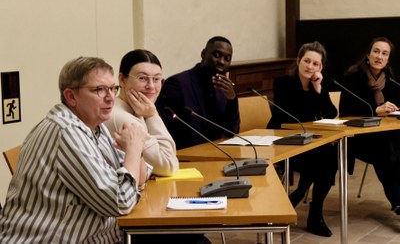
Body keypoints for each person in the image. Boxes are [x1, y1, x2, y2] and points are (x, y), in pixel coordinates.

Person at [0, 57, 151, 243]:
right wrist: (134, 149)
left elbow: (138, 179)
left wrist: (136, 150)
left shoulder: (94, 125)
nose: (110, 97)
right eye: (99, 90)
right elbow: (121, 201)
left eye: (112, 89)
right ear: (71, 96)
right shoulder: (67, 132)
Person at [267, 41, 338, 237]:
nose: (310, 66)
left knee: (330, 155)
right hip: (283, 142)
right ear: (298, 61)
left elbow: (331, 114)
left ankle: (312, 210)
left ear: (320, 67)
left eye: (315, 64)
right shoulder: (282, 83)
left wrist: (318, 88)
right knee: (322, 157)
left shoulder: (319, 85)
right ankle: (303, 203)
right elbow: (295, 115)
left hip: (309, 143)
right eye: (307, 61)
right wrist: (314, 98)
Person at [339, 36, 400, 215]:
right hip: (360, 138)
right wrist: (376, 109)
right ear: (368, 55)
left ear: (388, 59)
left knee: (392, 154)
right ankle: (397, 201)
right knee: (387, 155)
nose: (379, 56)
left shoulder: (389, 80)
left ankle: (398, 201)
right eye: (376, 51)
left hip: (384, 136)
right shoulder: (353, 77)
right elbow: (346, 110)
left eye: (384, 53)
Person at [156, 36, 240, 149]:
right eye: (217, 55)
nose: (221, 62)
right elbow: (162, 130)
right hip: (185, 157)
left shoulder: (223, 89)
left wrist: (231, 100)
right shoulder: (177, 84)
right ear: (203, 54)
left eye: (227, 58)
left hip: (217, 153)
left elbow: (231, 131)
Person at [104, 49, 179, 177]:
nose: (151, 86)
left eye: (156, 79)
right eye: (142, 78)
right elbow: (168, 166)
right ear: (122, 79)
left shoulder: (136, 110)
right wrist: (152, 115)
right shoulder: (122, 118)